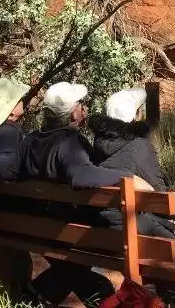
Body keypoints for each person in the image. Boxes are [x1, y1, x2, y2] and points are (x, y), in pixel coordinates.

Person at [18, 82, 157, 307]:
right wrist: (128, 178)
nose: (85, 109)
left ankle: (31, 300)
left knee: (74, 275)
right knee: (99, 285)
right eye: (81, 104)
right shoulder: (68, 142)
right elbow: (82, 175)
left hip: (36, 228)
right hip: (68, 232)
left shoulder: (31, 140)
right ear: (73, 112)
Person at [90, 89, 175, 308]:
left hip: (100, 229)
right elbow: (162, 201)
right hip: (131, 230)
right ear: (134, 116)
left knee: (150, 260)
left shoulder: (95, 144)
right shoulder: (139, 146)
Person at [0, 77, 35, 303]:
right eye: (19, 99)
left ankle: (16, 293)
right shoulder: (8, 132)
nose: (23, 101)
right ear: (11, 112)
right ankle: (22, 295)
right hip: (10, 217)